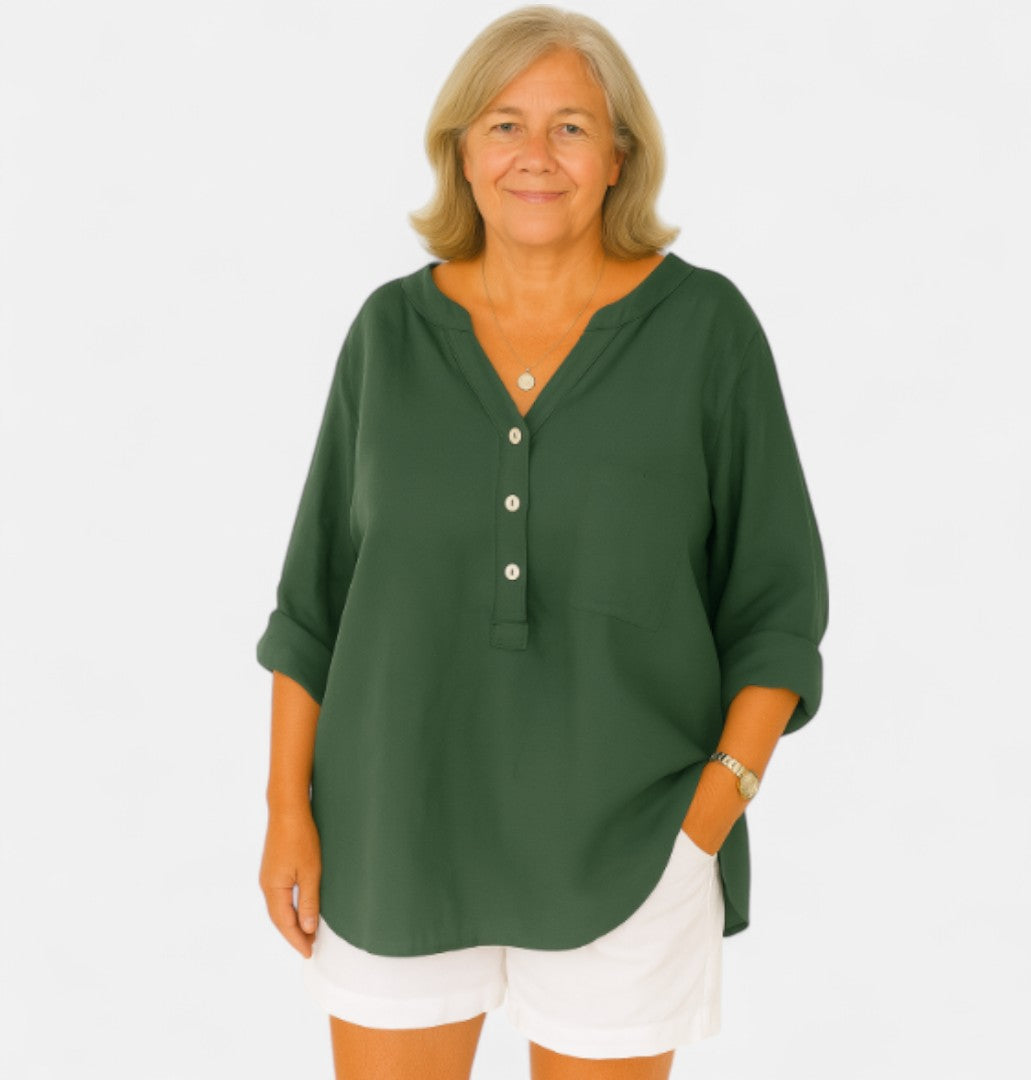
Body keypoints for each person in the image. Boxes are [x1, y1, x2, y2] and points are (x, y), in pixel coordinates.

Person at [256, 5, 829, 1078]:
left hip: (634, 838)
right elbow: (315, 603)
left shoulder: (706, 332)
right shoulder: (390, 335)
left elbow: (776, 608)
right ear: (462, 153)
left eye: (571, 127)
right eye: (505, 125)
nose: (536, 154)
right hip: (392, 833)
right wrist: (288, 808)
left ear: (620, 158)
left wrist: (712, 811)